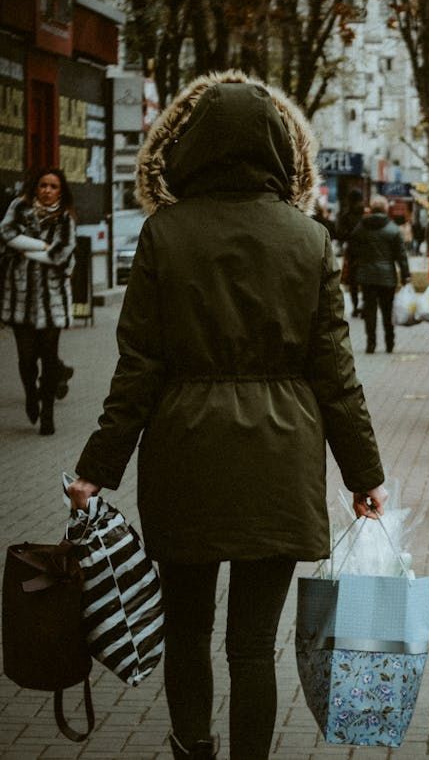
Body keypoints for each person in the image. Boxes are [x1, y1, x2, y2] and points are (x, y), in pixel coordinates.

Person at [64, 71, 388, 760]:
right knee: (251, 645)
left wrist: (98, 467)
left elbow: (138, 369)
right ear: (279, 148)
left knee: (186, 629)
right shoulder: (310, 240)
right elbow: (335, 373)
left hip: (186, 455)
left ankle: (192, 748)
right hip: (279, 462)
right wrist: (364, 473)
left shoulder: (163, 234)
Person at [0, 167, 76, 435]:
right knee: (26, 359)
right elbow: (6, 235)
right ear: (36, 187)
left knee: (49, 357)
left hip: (52, 300)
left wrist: (27, 249)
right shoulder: (19, 208)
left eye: (53, 186)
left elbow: (60, 256)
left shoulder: (65, 219)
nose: (47, 190)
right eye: (43, 185)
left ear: (60, 190)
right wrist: (43, 246)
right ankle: (31, 395)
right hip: (20, 297)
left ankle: (47, 413)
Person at [347, 194, 410, 354]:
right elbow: (401, 256)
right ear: (385, 209)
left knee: (370, 312)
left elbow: (352, 251)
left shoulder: (360, 228)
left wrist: (355, 269)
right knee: (387, 311)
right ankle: (390, 343)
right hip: (387, 276)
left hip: (366, 275)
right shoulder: (393, 229)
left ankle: (371, 344)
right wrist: (405, 275)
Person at [334, 189, 366, 317]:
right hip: (365, 252)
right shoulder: (365, 215)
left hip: (352, 252)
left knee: (353, 282)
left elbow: (340, 234)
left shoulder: (345, 216)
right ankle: (363, 306)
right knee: (364, 281)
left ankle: (355, 306)